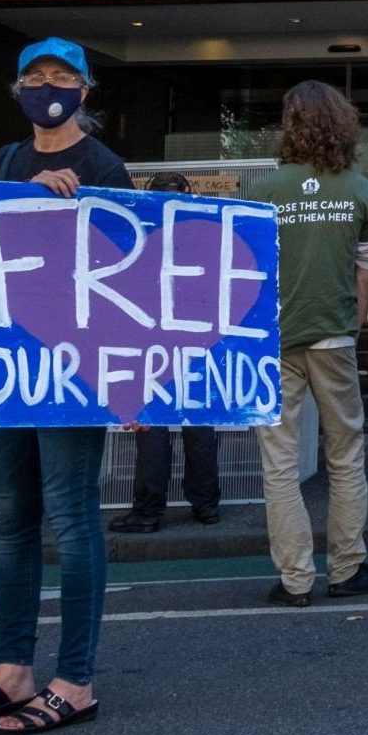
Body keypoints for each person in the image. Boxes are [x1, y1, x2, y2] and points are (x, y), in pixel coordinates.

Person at [0, 36, 131, 735]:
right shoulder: (7, 162)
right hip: (10, 365)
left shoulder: (105, 166)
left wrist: (131, 380)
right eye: (35, 76)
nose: (48, 86)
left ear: (85, 89)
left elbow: (126, 273)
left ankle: (74, 678)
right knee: (13, 515)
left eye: (62, 76)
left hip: (73, 370)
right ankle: (12, 667)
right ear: (17, 89)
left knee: (72, 516)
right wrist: (22, 199)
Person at [243, 81, 368, 606]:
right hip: (334, 337)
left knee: (279, 462)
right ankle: (347, 567)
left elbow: (247, 272)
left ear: (290, 125)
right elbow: (365, 271)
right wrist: (351, 327)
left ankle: (295, 579)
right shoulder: (359, 189)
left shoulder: (263, 191)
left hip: (274, 341)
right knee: (346, 453)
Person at [109, 173, 222, 536]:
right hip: (197, 338)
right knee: (199, 421)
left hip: (149, 340)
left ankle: (148, 511)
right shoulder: (203, 237)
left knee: (151, 425)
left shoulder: (140, 239)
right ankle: (205, 505)